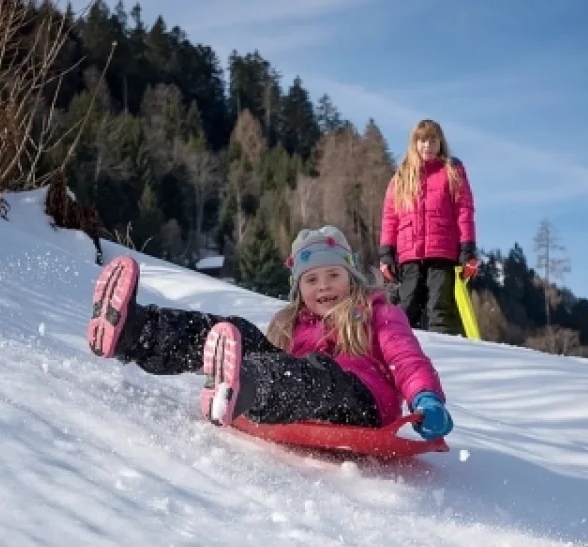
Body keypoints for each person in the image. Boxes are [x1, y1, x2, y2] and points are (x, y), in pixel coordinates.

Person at [85, 226, 454, 439]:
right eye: (311, 279)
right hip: (303, 389)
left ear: (351, 277)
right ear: (298, 287)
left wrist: (426, 398)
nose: (323, 287)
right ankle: (135, 331)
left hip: (363, 402)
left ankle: (241, 387)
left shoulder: (375, 311)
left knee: (315, 374)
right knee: (237, 332)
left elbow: (406, 358)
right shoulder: (293, 323)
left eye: (333, 276)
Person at [379, 118, 479, 335]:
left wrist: (467, 249)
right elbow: (390, 217)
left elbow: (464, 211)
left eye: (433, 140)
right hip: (408, 256)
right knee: (407, 308)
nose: (428, 146)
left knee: (439, 308)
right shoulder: (402, 176)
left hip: (443, 253)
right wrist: (386, 254)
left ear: (440, 143)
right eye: (422, 140)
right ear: (414, 143)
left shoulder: (452, 171)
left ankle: (442, 354)